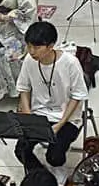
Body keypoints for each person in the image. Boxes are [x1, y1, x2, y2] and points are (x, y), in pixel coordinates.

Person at [15, 20, 88, 170]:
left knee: (55, 158)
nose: (32, 51)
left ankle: (45, 174)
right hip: (40, 114)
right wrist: (28, 116)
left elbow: (77, 96)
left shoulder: (70, 63)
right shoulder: (29, 60)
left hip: (67, 119)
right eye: (29, 46)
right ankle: (41, 176)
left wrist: (59, 124)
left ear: (51, 46)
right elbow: (24, 88)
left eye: (37, 47)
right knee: (21, 150)